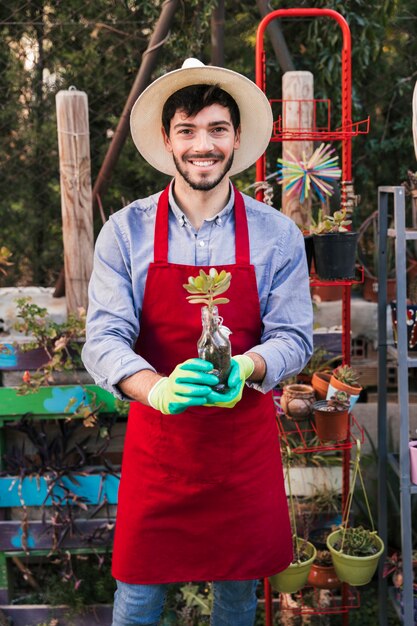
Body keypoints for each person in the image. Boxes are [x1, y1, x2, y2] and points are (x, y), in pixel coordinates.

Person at [82, 58, 313, 626]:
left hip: (242, 449)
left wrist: (252, 366)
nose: (201, 145)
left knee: (238, 597)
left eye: (216, 129)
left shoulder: (277, 234)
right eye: (187, 130)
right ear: (168, 140)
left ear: (236, 139)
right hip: (159, 446)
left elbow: (295, 337)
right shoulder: (126, 231)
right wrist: (157, 389)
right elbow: (104, 338)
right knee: (137, 596)